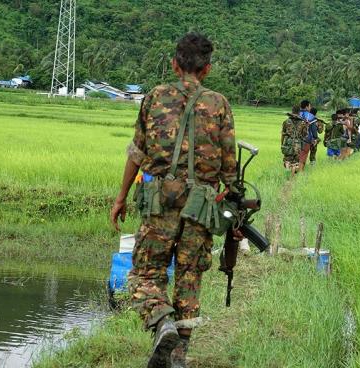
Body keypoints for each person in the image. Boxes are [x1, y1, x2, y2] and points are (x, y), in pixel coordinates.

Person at [110, 32, 237, 368]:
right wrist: (235, 206)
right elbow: (229, 167)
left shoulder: (154, 97)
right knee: (189, 282)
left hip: (159, 206)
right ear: (207, 69)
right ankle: (178, 354)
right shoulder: (219, 104)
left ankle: (161, 321)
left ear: (174, 64)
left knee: (144, 276)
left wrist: (120, 198)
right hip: (200, 209)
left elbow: (136, 153)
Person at [281, 106, 306, 175]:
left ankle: (287, 170)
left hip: (288, 142)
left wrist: (282, 144)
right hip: (298, 144)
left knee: (287, 159)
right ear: (299, 112)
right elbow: (304, 135)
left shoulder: (286, 122)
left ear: (292, 111)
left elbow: (283, 134)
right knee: (296, 161)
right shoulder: (303, 123)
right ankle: (293, 174)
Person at [298, 100, 319, 171]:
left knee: (296, 155)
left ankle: (293, 171)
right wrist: (315, 138)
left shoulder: (295, 114)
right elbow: (314, 130)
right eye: (309, 106)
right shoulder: (311, 116)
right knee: (303, 156)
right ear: (307, 106)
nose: (310, 107)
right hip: (306, 139)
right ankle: (300, 172)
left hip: (295, 139)